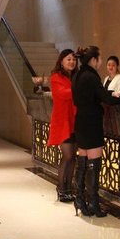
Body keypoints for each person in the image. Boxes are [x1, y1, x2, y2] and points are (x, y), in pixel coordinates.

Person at [72, 46, 120, 217]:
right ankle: (94, 204)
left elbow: (94, 94)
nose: (102, 62)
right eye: (100, 58)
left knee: (83, 163)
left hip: (81, 121)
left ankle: (80, 199)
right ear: (93, 60)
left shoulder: (77, 75)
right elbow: (106, 99)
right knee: (94, 165)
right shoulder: (92, 76)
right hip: (92, 122)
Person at [46, 49, 78, 202]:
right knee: (68, 155)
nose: (72, 62)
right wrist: (79, 89)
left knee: (73, 158)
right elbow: (62, 94)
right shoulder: (55, 77)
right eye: (68, 59)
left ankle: (69, 188)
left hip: (75, 121)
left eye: (74, 59)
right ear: (61, 61)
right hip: (62, 121)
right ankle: (61, 188)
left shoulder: (76, 77)